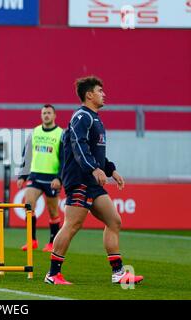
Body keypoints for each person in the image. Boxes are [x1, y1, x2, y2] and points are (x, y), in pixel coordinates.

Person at [44, 76, 143, 285]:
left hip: (93, 182)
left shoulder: (95, 119)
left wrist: (110, 170)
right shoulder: (82, 117)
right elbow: (78, 145)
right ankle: (53, 274)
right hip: (80, 179)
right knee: (72, 225)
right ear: (89, 95)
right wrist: (93, 168)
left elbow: (95, 152)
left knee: (114, 221)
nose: (103, 94)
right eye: (100, 90)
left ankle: (118, 273)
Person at [17, 104, 63, 253]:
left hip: (52, 179)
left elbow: (64, 159)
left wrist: (59, 178)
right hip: (35, 176)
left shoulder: (60, 134)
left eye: (49, 113)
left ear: (55, 116)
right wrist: (22, 176)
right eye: (44, 113)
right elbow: (27, 155)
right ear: (41, 115)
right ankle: (32, 240)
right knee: (28, 206)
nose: (46, 115)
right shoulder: (35, 132)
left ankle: (52, 242)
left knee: (53, 212)